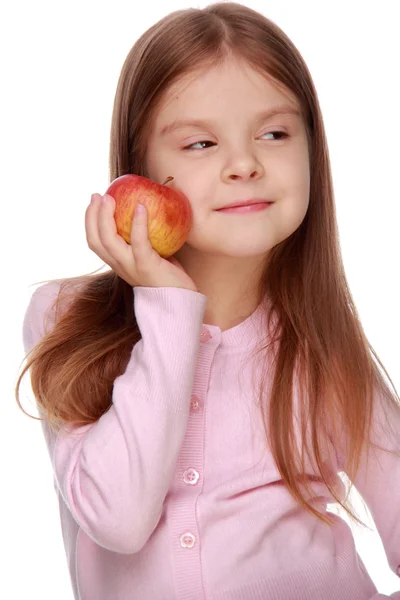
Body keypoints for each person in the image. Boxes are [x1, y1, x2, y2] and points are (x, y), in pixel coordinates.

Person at [15, 2, 400, 599]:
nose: (244, 164)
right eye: (199, 144)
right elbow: (117, 518)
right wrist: (167, 307)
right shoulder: (65, 319)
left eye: (274, 134)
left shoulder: (322, 350)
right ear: (139, 170)